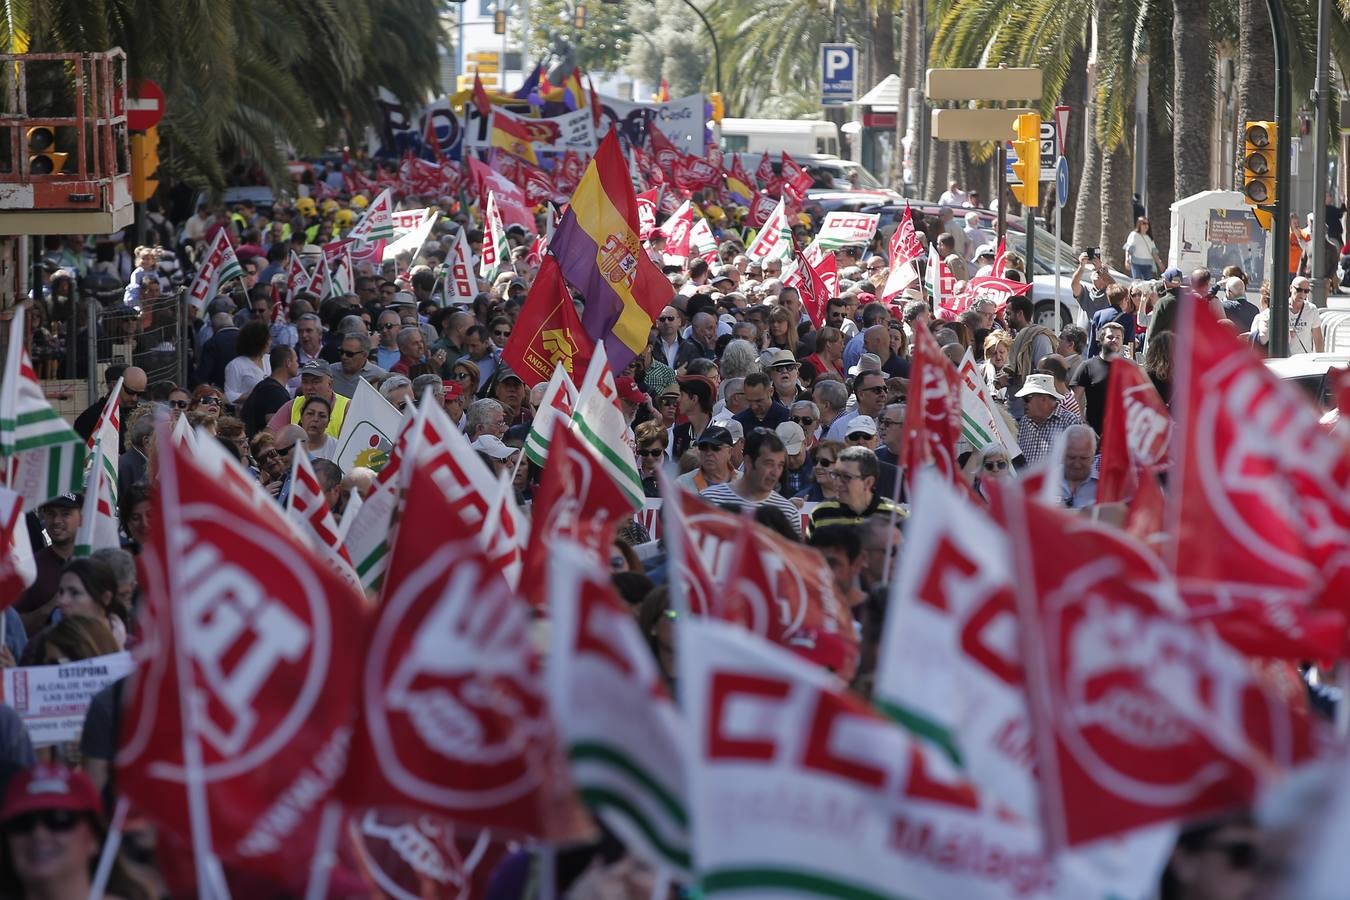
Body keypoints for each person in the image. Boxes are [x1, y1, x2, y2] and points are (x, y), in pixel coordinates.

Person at [700, 429, 803, 537]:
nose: (775, 472)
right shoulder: (708, 500)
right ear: (748, 462)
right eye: (768, 463)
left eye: (780, 465)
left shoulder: (788, 512)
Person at [16, 494, 81, 637]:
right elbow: (14, 628)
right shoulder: (30, 568)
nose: (56, 521)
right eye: (51, 514)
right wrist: (50, 607)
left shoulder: (94, 561)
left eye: (65, 514)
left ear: (81, 517)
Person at [809, 446, 906, 530]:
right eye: (836, 475)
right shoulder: (820, 513)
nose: (838, 482)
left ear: (868, 482)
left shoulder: (896, 516)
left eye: (846, 477)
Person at [53, 558, 128, 650]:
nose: (61, 601)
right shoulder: (44, 648)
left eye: (74, 593)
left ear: (106, 598)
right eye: (61, 592)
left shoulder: (137, 652)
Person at [266, 362, 348, 438]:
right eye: (305, 382)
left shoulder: (347, 407)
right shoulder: (293, 405)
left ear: (330, 384)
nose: (308, 387)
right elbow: (268, 436)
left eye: (315, 382)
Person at [1015, 373, 1080, 467]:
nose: (1023, 404)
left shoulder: (1070, 422)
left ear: (1043, 399)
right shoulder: (1025, 422)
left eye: (1026, 399)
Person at [1071, 321, 1123, 433]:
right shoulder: (1087, 366)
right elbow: (1074, 399)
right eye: (1110, 337)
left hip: (1121, 434)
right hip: (1095, 434)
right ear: (1101, 339)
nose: (1114, 340)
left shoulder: (1129, 368)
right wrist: (1082, 423)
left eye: (1118, 337)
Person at [73, 365, 145, 443]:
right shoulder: (92, 416)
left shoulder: (138, 414)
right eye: (130, 392)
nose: (135, 398)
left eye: (139, 394)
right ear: (114, 385)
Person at [240, 345, 297, 436]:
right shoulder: (276, 394)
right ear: (288, 362)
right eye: (296, 361)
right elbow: (275, 432)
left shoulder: (263, 386)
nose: (297, 365)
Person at [1259, 276, 1324, 354]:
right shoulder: (1280, 308)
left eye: (1306, 291)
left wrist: (1318, 359)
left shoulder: (1312, 309)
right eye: (1299, 290)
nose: (1302, 294)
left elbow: (1318, 338)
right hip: (1284, 358)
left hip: (1304, 359)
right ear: (1291, 288)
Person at [827, 370, 887, 440]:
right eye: (877, 390)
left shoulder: (895, 424)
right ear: (861, 395)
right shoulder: (840, 427)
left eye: (885, 389)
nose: (883, 394)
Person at [676, 425, 735, 492]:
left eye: (715, 448)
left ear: (730, 452)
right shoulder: (682, 484)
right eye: (703, 447)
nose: (709, 453)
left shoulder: (745, 483)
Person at [329, 330, 385, 398]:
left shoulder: (380, 376)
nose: (344, 357)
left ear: (364, 355)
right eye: (341, 352)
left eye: (349, 354)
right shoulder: (330, 371)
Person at [1061, 424, 1099, 508]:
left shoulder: (1103, 486)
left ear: (1093, 456)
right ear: (1062, 454)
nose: (1077, 465)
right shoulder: (1046, 482)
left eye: (1083, 458)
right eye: (1072, 457)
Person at [298, 394, 337, 459]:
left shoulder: (337, 448)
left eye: (322, 416)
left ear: (328, 422)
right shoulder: (289, 444)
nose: (315, 419)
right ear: (301, 418)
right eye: (310, 413)